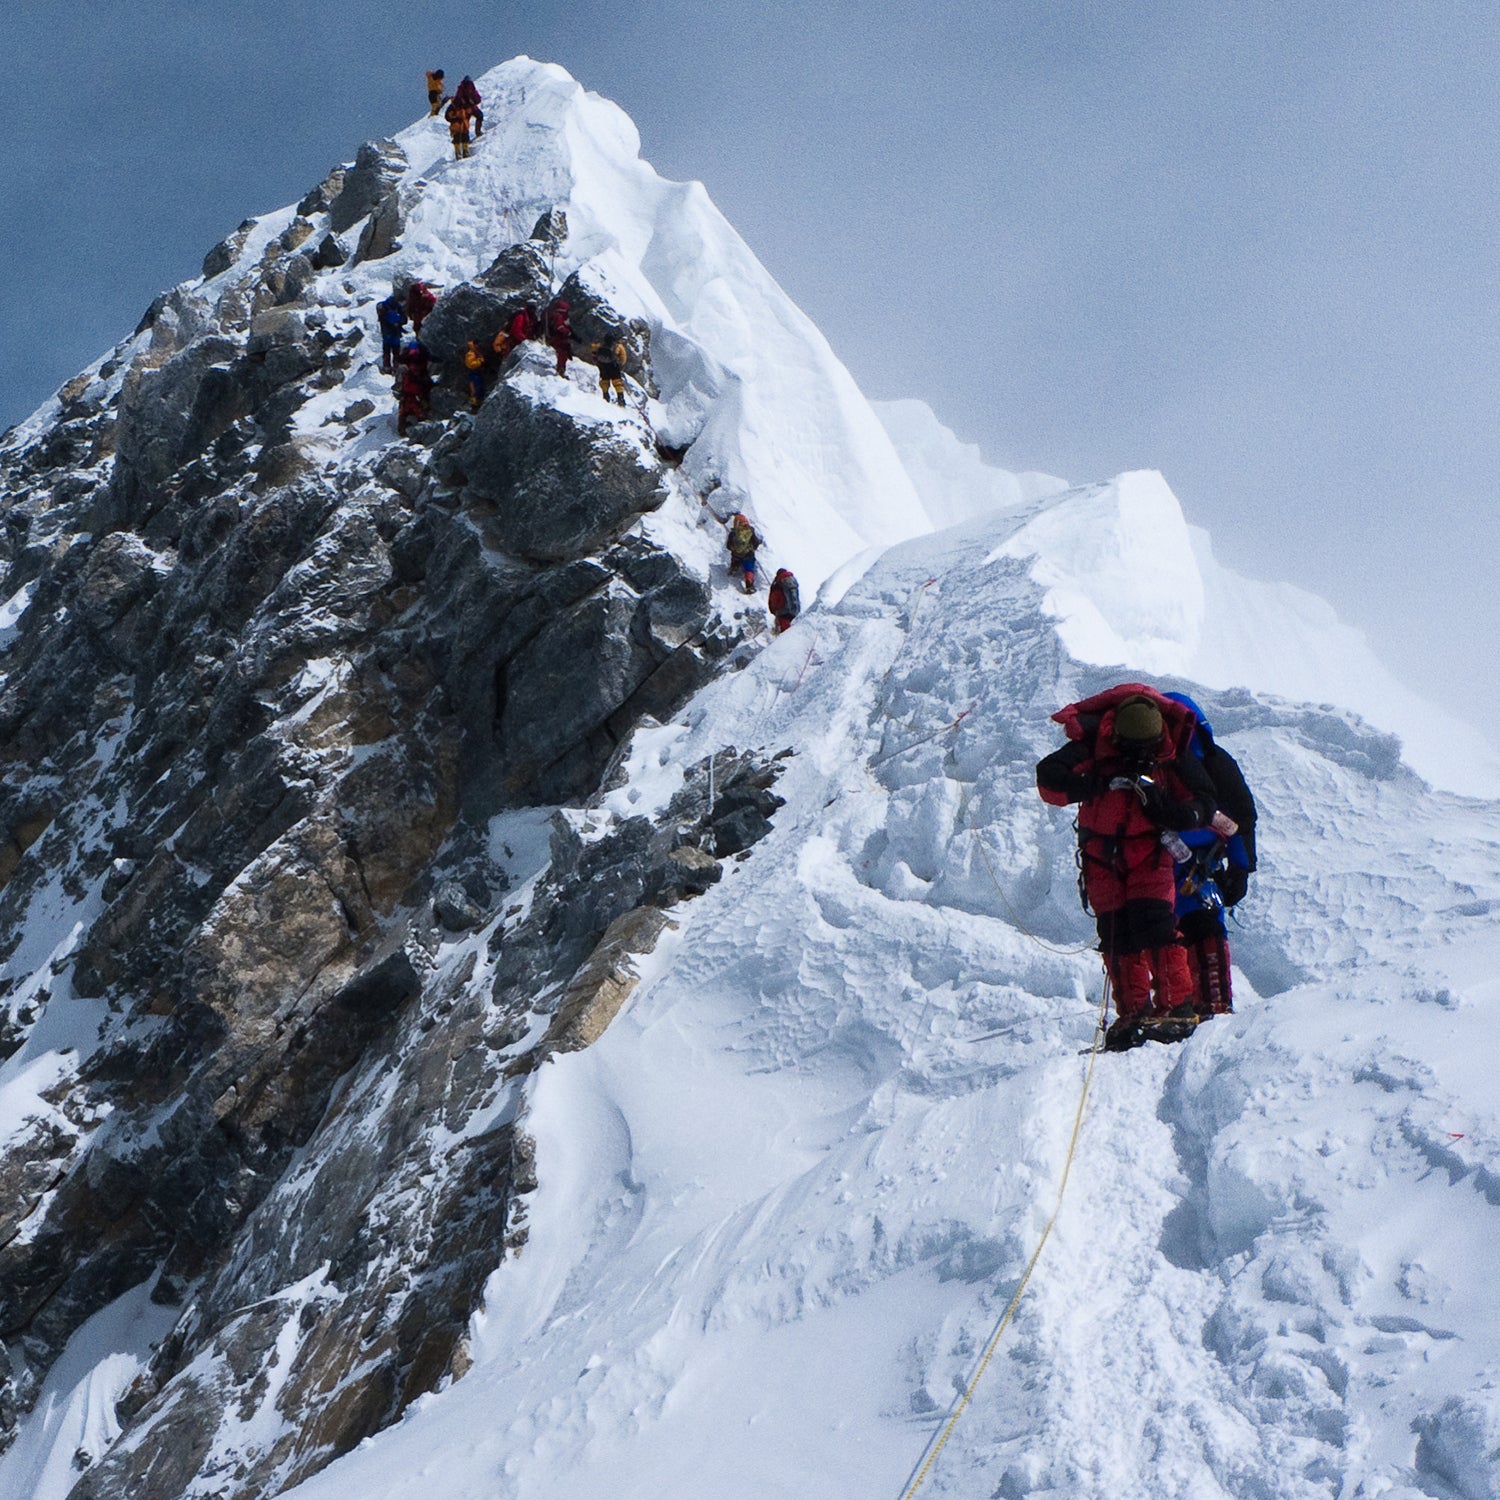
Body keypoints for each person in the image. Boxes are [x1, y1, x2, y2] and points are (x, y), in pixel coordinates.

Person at [1035, 684, 1219, 1050]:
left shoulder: (1171, 753)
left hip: (1149, 853)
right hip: (1103, 856)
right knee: (1117, 934)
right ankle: (1134, 1013)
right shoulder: (1095, 746)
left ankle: (1176, 1007)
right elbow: (1049, 777)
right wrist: (1098, 784)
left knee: (1156, 926)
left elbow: (1205, 803)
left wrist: (1166, 810)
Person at [1164, 692, 1257, 1019]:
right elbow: (1242, 818)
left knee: (1179, 931)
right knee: (1203, 927)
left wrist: (1242, 868)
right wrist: (1241, 868)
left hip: (1172, 866)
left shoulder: (1161, 765)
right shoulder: (1214, 762)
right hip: (1203, 860)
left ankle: (1184, 1006)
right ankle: (1212, 1005)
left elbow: (1240, 818)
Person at [726, 512, 762, 593]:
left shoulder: (733, 533)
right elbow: (755, 542)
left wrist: (734, 549)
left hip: (736, 555)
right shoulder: (750, 531)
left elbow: (728, 546)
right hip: (748, 555)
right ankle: (749, 585)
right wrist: (753, 548)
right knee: (748, 569)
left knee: (735, 560)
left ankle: (734, 568)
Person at [592, 334, 629, 405]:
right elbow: (623, 357)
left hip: (603, 365)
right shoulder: (618, 346)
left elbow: (594, 351)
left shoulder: (600, 345)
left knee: (604, 380)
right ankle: (620, 397)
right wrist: (620, 364)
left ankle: (605, 395)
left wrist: (597, 361)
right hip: (614, 366)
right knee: (617, 381)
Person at [376, 292, 407, 374]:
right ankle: (393, 367)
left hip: (389, 334)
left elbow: (404, 319)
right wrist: (398, 322)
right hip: (392, 334)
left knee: (388, 351)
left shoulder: (385, 307)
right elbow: (404, 320)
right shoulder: (393, 307)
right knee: (393, 351)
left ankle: (388, 367)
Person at [546, 299, 574, 376]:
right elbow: (559, 327)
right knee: (562, 354)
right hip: (559, 339)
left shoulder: (554, 315)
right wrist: (568, 332)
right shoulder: (559, 316)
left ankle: (561, 369)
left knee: (562, 354)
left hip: (556, 338)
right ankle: (560, 370)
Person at [463, 339, 487, 410]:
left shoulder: (476, 352)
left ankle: (479, 402)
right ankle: (475, 404)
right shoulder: (471, 353)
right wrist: (479, 361)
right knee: (475, 388)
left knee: (479, 387)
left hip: (478, 372)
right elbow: (470, 365)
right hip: (474, 372)